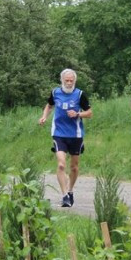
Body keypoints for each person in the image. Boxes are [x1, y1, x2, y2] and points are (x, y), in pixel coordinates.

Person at [38, 68, 92, 207]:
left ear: (74, 81)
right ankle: (64, 196)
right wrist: (44, 116)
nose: (69, 83)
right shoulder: (55, 92)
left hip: (76, 134)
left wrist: (78, 114)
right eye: (66, 80)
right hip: (59, 133)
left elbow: (90, 113)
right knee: (61, 164)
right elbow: (49, 106)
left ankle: (70, 190)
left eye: (71, 81)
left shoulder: (80, 94)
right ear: (62, 80)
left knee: (74, 167)